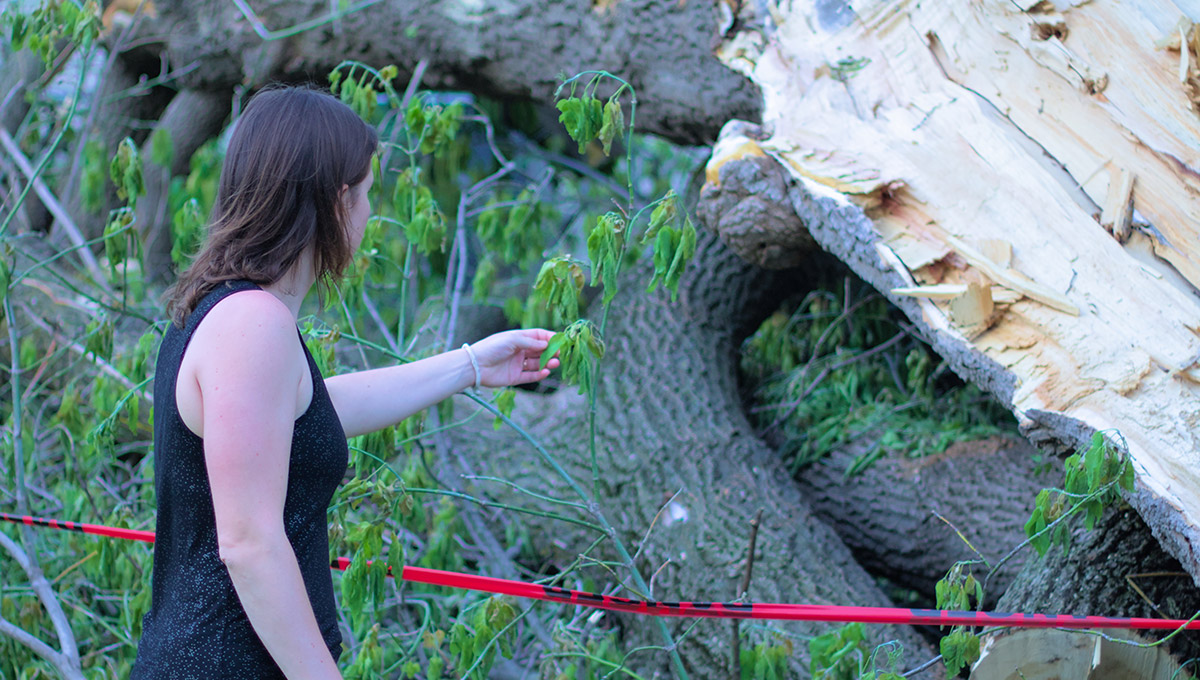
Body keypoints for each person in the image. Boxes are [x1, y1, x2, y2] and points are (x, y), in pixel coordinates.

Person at [130, 85, 559, 679]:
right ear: (337, 201)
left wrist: (469, 366)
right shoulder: (252, 324)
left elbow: (313, 414)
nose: (369, 212)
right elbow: (250, 543)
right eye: (366, 195)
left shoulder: (232, 309)